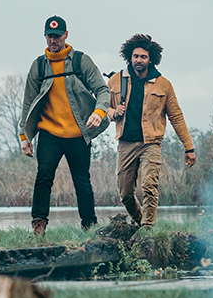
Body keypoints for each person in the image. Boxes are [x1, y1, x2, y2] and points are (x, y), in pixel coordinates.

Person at [20, 16, 112, 235]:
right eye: (50, 36)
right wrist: (25, 137)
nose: (54, 40)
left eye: (58, 35)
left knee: (82, 182)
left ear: (66, 35)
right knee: (44, 177)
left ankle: (89, 226)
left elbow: (102, 90)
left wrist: (99, 112)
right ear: (45, 37)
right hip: (49, 133)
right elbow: (27, 103)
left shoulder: (81, 61)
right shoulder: (39, 66)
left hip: (79, 133)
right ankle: (39, 225)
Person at [107, 34, 196, 228]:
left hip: (151, 143)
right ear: (130, 57)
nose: (139, 60)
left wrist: (188, 147)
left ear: (151, 59)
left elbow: (177, 117)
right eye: (136, 56)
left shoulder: (163, 85)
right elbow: (102, 107)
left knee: (149, 186)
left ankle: (148, 227)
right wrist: (113, 112)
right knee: (125, 193)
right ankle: (139, 221)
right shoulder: (116, 80)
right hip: (126, 143)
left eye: (143, 57)